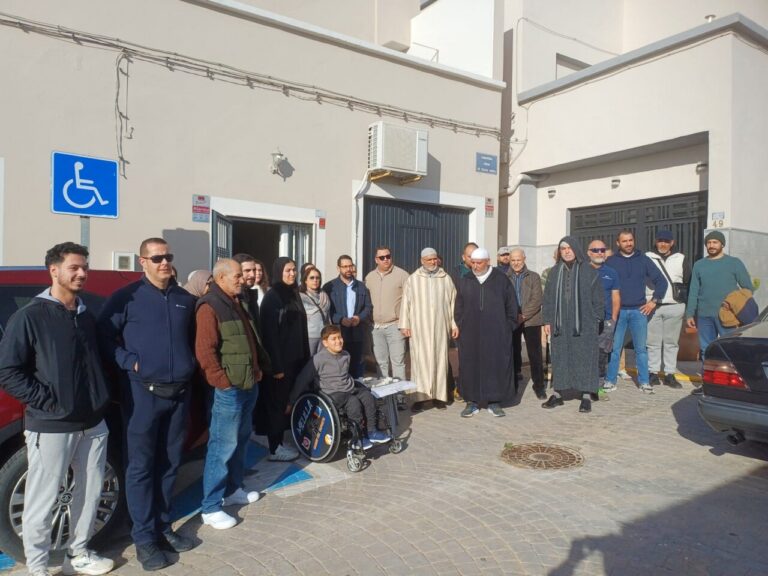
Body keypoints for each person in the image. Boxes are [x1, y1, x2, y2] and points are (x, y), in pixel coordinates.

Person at [0, 243, 114, 576]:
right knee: (42, 498)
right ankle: (37, 568)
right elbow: (9, 372)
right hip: (51, 424)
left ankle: (77, 553)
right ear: (54, 270)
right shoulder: (30, 316)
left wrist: (99, 398)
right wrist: (49, 402)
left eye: (85, 267)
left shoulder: (84, 315)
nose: (82, 273)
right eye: (74, 267)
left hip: (93, 422)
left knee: (90, 492)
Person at [98, 238, 198, 571]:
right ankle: (143, 539)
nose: (164, 263)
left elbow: (193, 340)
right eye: (157, 258)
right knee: (140, 468)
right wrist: (131, 362)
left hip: (179, 394)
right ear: (143, 262)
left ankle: (163, 527)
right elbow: (104, 339)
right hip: (142, 395)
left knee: (170, 464)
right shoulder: (125, 299)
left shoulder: (186, 299)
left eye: (168, 256)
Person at [196, 259, 263, 530]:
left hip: (247, 385)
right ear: (221, 278)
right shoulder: (210, 305)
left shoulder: (236, 301)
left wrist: (257, 371)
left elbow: (249, 341)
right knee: (221, 446)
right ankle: (210, 507)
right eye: (236, 276)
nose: (242, 279)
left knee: (241, 440)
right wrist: (223, 383)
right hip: (230, 390)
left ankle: (234, 489)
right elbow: (205, 352)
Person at [291, 325, 391, 448]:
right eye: (334, 339)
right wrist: (291, 402)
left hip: (348, 388)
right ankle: (357, 437)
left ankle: (372, 431)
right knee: (353, 402)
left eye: (340, 337)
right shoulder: (318, 360)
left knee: (367, 396)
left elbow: (344, 375)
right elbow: (302, 379)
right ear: (325, 343)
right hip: (331, 393)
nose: (338, 341)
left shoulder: (346, 355)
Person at [542, 237, 604, 413]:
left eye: (569, 248)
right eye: (563, 249)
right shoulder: (554, 273)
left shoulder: (590, 272)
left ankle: (585, 396)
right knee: (560, 357)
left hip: (584, 323)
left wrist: (596, 318)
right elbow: (547, 299)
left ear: (576, 249)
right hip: (560, 323)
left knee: (585, 357)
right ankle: (558, 394)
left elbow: (598, 298)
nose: (567, 251)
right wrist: (547, 320)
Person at [686, 230, 752, 395]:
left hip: (727, 316)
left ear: (722, 244)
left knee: (729, 349)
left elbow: (747, 288)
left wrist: (732, 303)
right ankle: (708, 384)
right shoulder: (699, 265)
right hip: (704, 315)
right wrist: (689, 314)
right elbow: (693, 290)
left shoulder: (734, 263)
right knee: (705, 350)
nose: (711, 245)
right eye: (709, 242)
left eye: (715, 242)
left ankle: (737, 385)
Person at [257, 257, 309, 461]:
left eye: (294, 270)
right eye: (288, 270)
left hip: (295, 360)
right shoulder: (273, 297)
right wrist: (276, 366)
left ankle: (282, 440)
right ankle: (275, 447)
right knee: (276, 404)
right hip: (280, 364)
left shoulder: (293, 294)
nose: (292, 274)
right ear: (279, 272)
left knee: (288, 402)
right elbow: (269, 335)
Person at [455, 248, 518, 418]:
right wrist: (461, 325)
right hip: (470, 334)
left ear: (488, 261)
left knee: (495, 365)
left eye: (479, 263)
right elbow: (459, 307)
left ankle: (494, 401)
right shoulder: (466, 280)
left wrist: (507, 327)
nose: (475, 266)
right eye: (473, 263)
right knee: (470, 365)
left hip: (496, 333)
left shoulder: (500, 279)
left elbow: (512, 305)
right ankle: (472, 401)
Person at [603, 230, 668, 394]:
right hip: (618, 312)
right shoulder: (610, 262)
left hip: (638, 311)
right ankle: (610, 381)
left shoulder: (643, 260)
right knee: (614, 348)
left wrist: (654, 301)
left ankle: (644, 382)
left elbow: (661, 281)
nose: (628, 243)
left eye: (630, 240)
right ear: (618, 243)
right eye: (624, 241)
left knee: (641, 349)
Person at [399, 247, 458, 412]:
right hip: (420, 328)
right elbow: (406, 303)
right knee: (420, 363)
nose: (433, 262)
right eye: (429, 260)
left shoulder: (445, 278)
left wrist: (454, 324)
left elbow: (452, 303)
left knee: (440, 362)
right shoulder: (413, 279)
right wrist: (405, 324)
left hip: (440, 327)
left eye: (434, 259)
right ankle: (420, 398)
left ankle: (439, 397)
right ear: (422, 261)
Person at [645, 230, 690, 389]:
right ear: (655, 242)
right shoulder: (647, 257)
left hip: (675, 306)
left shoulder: (681, 258)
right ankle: (653, 372)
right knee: (653, 342)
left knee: (671, 342)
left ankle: (670, 373)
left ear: (672, 243)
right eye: (660, 241)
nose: (663, 244)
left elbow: (687, 282)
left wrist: (687, 307)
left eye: (666, 241)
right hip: (652, 306)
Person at [364, 246, 409, 382]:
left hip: (395, 325)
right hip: (375, 328)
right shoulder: (370, 277)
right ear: (376, 260)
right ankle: (383, 396)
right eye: (382, 257)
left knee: (398, 362)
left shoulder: (402, 275)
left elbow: (411, 301)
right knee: (380, 363)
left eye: (388, 256)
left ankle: (399, 397)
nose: (386, 260)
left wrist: (406, 324)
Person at [323, 255, 372, 378]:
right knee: (339, 367)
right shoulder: (330, 287)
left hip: (357, 334)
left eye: (350, 266)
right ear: (338, 268)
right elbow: (327, 310)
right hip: (338, 334)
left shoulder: (361, 286)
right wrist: (340, 319)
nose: (348, 269)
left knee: (356, 367)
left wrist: (359, 318)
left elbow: (368, 307)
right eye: (345, 266)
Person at [507, 248, 546, 399]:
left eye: (518, 260)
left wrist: (523, 315)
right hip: (512, 320)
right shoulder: (505, 277)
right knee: (513, 352)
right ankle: (514, 383)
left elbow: (537, 299)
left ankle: (539, 386)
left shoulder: (534, 277)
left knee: (535, 354)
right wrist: (513, 315)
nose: (516, 263)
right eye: (513, 260)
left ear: (524, 259)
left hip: (531, 320)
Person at [587, 240, 620, 391]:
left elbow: (615, 297)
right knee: (586, 353)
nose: (599, 253)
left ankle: (598, 386)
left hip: (606, 321)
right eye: (596, 250)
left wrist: (613, 319)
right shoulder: (581, 271)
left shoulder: (612, 273)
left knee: (601, 355)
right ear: (589, 253)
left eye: (602, 250)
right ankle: (584, 384)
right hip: (585, 321)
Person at [299, 266, 331, 354]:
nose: (315, 280)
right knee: (310, 363)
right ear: (305, 280)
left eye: (317, 278)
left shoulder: (324, 295)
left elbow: (328, 316)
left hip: (324, 335)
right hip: (309, 336)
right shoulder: (300, 297)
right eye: (312, 278)